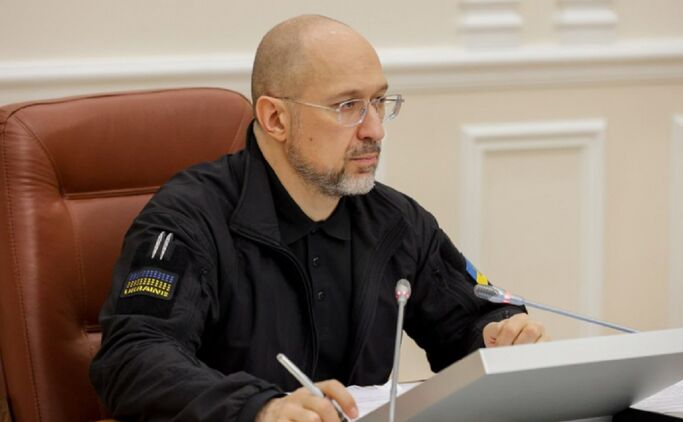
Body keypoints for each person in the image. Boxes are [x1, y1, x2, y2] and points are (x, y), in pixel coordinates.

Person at [90, 14, 548, 422]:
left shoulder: (396, 221)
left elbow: (471, 319)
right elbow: (133, 360)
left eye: (379, 101)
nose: (375, 129)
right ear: (275, 118)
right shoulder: (188, 219)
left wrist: (500, 334)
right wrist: (260, 408)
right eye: (347, 106)